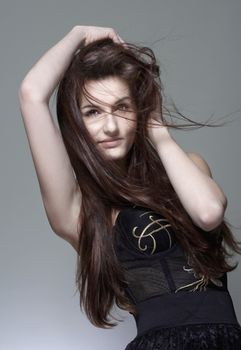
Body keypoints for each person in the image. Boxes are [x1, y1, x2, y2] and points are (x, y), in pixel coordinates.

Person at [18, 25, 241, 349]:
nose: (110, 126)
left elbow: (208, 213)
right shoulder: (80, 211)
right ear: (76, 123)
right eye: (92, 112)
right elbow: (31, 94)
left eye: (122, 107)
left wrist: (159, 133)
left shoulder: (190, 165)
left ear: (140, 110)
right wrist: (79, 33)